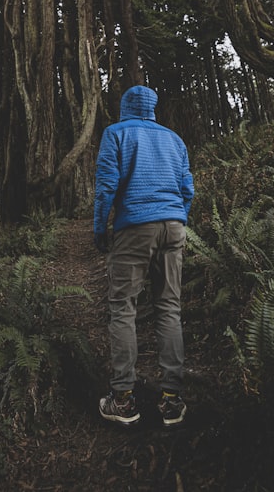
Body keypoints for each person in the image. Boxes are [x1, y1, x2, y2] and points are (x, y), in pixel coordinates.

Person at [93, 85, 194, 428]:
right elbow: (187, 188)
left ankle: (122, 399)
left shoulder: (116, 133)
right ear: (153, 107)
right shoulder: (173, 138)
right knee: (169, 306)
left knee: (123, 308)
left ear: (124, 106)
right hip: (174, 225)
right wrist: (179, 218)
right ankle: (171, 399)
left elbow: (107, 185)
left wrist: (100, 227)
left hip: (135, 227)